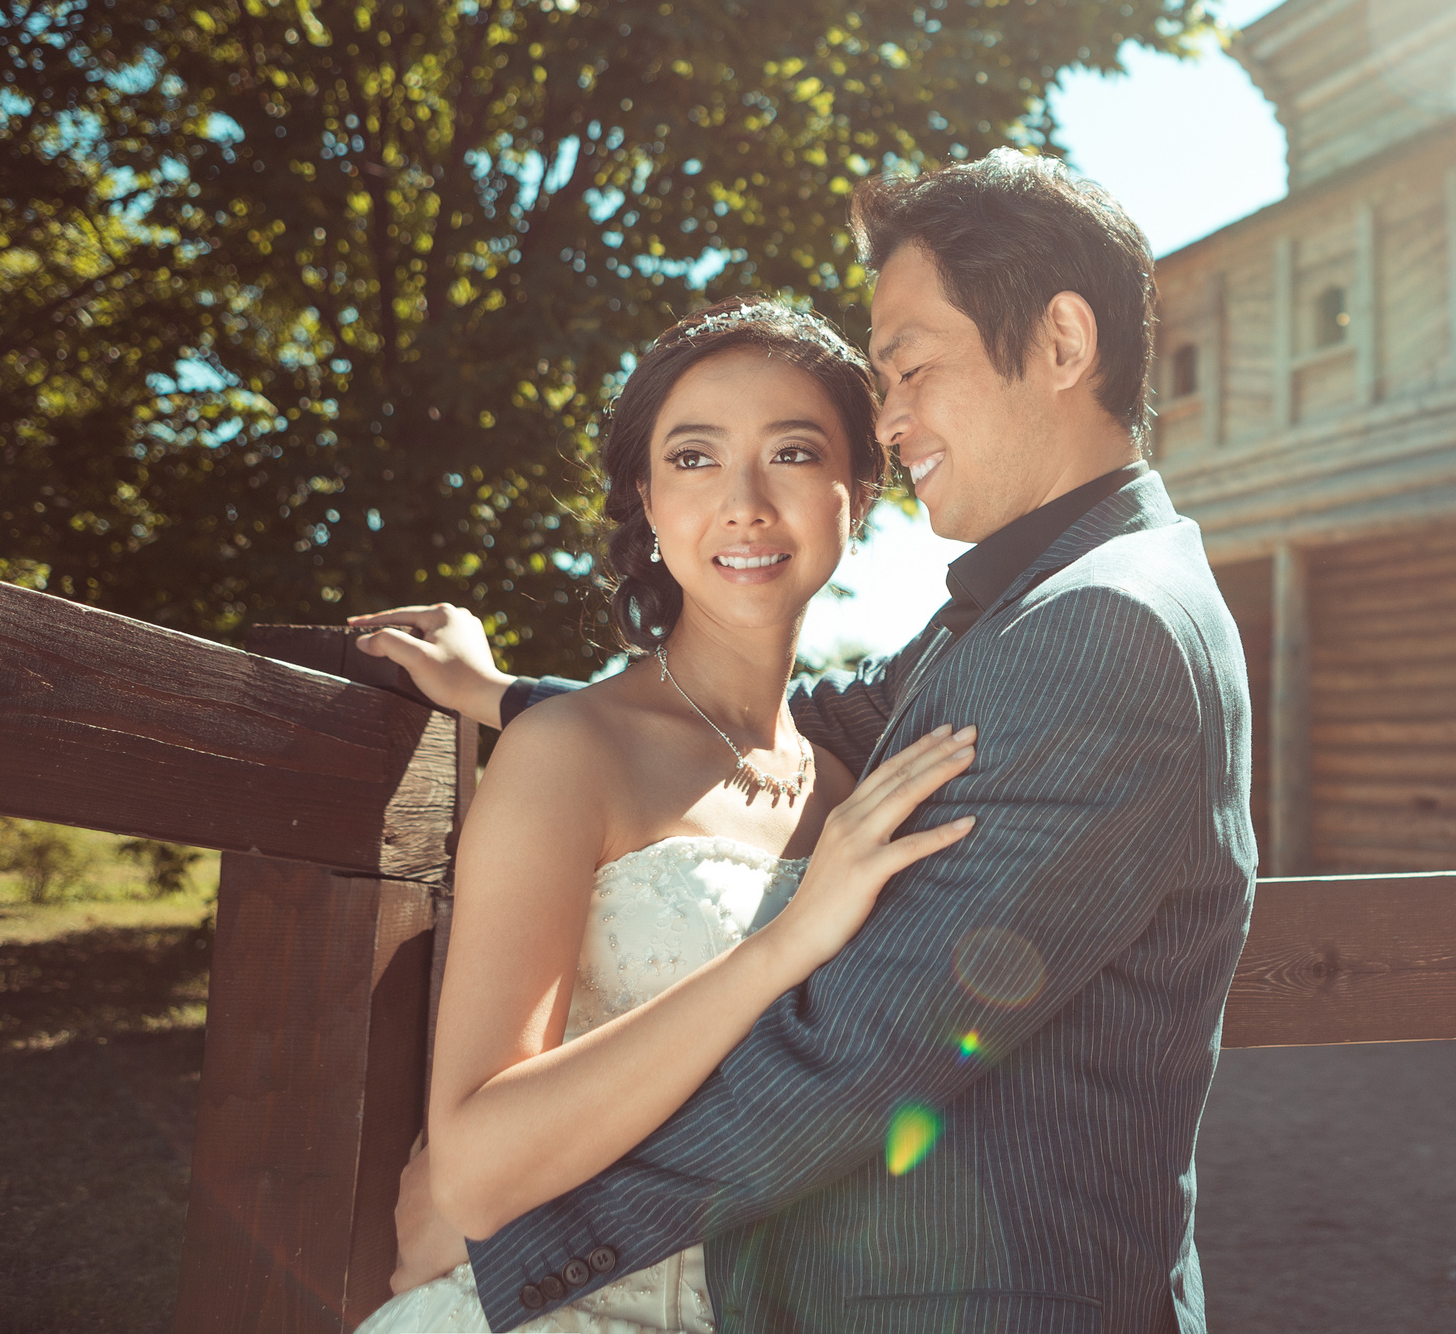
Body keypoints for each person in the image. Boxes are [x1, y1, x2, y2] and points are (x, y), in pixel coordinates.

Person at [359, 148, 1256, 1333]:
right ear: (642, 494)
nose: (891, 421)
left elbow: (856, 1056)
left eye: (909, 370)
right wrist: (521, 700)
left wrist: (504, 1228)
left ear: (1060, 343)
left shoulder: (1098, 623)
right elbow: (748, 727)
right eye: (692, 458)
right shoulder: (1028, 612)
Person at [354, 295, 984, 1334]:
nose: (742, 502)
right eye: (693, 459)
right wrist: (783, 945)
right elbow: (468, 1180)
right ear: (646, 499)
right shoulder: (570, 753)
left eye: (790, 452)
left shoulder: (841, 784)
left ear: (856, 493)